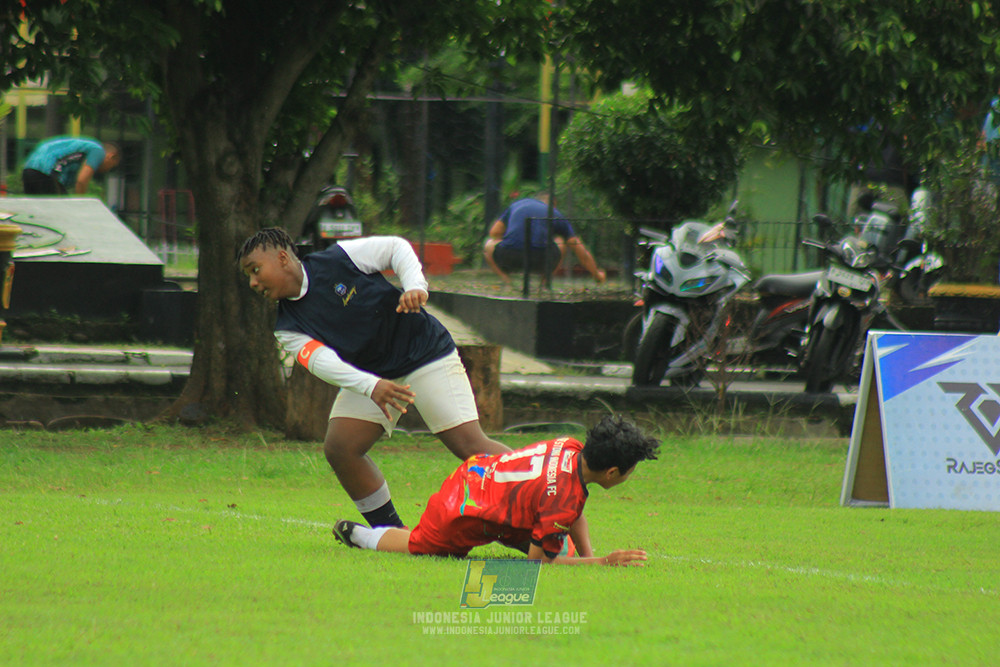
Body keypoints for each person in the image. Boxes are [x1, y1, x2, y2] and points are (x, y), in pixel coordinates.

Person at [236, 229, 597, 552]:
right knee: (341, 447)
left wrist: (415, 286)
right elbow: (322, 363)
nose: (253, 283)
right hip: (374, 377)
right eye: (249, 276)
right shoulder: (287, 325)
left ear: (282, 258)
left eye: (255, 270)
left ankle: (551, 498)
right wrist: (371, 385)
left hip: (425, 354)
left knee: (471, 447)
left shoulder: (339, 258)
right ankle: (390, 533)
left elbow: (396, 248)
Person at [332, 414, 659, 566]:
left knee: (566, 554)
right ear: (612, 472)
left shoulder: (572, 448)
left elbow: (572, 508)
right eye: (631, 470)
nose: (630, 475)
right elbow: (537, 564)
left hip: (479, 474)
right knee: (421, 546)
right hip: (462, 510)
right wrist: (603, 562)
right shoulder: (562, 497)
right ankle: (362, 536)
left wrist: (587, 557)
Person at [483, 194, 606, 286]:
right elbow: (579, 249)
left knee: (488, 244)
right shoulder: (556, 214)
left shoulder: (517, 205)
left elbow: (494, 233)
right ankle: (545, 283)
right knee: (561, 242)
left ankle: (508, 282)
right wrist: (596, 274)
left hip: (509, 257)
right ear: (553, 204)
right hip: (541, 259)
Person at [21, 136, 120, 195]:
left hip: (29, 169)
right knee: (61, 212)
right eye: (111, 166)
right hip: (47, 171)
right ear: (111, 157)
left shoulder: (79, 156)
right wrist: (80, 205)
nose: (107, 170)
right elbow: (81, 181)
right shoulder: (98, 151)